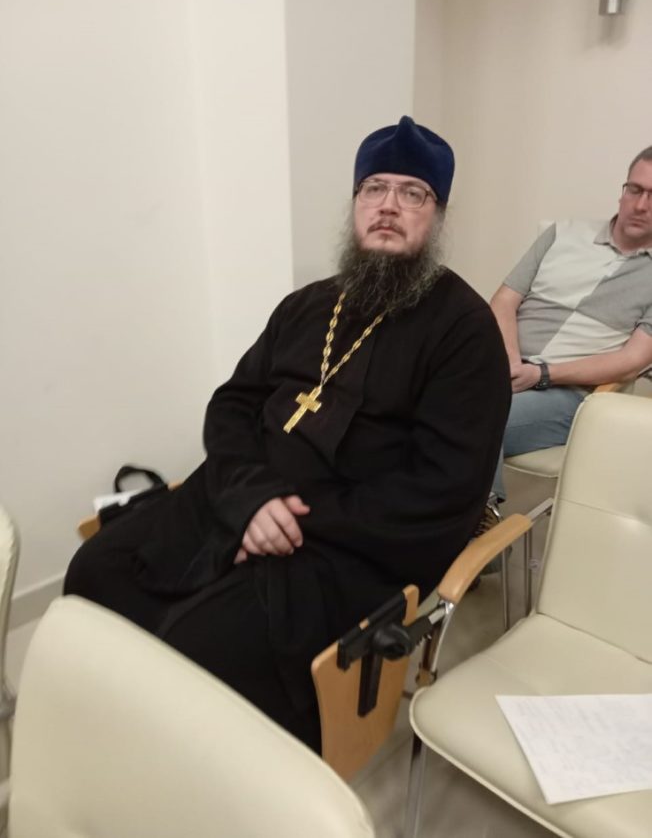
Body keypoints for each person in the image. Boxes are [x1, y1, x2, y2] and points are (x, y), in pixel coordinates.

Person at [65, 116, 511, 750]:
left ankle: (175, 766)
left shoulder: (464, 332)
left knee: (197, 646)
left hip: (347, 547)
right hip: (241, 497)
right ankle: (106, 731)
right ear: (355, 204)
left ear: (437, 215)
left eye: (412, 193)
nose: (388, 205)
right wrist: (249, 499)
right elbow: (232, 405)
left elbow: (444, 488)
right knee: (96, 571)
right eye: (374, 188)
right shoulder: (306, 305)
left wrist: (289, 519)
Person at [490, 146, 652, 501]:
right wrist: (511, 361)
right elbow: (504, 300)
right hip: (504, 366)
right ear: (623, 190)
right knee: (419, 398)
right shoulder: (563, 233)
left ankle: (480, 527)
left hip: (569, 394)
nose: (641, 205)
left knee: (475, 418)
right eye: (635, 190)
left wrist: (541, 374)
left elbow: (632, 361)